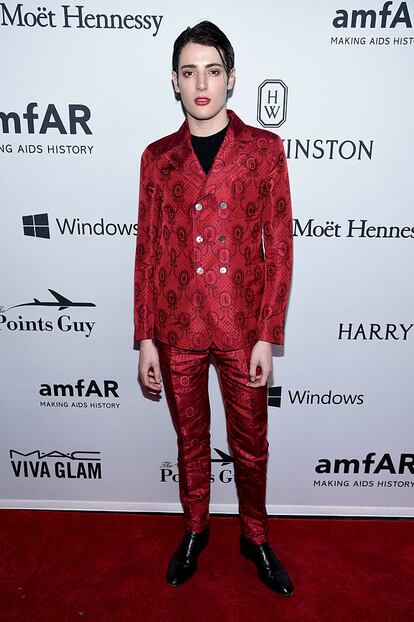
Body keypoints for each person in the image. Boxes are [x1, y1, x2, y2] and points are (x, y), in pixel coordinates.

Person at [133, 20, 294, 595]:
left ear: (230, 78)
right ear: (174, 83)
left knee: (251, 443)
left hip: (241, 327)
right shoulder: (157, 159)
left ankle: (255, 535)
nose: (202, 82)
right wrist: (146, 337)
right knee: (190, 439)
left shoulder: (263, 151)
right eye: (188, 71)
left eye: (213, 70)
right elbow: (148, 250)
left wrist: (266, 335)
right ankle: (196, 528)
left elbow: (279, 246)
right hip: (177, 327)